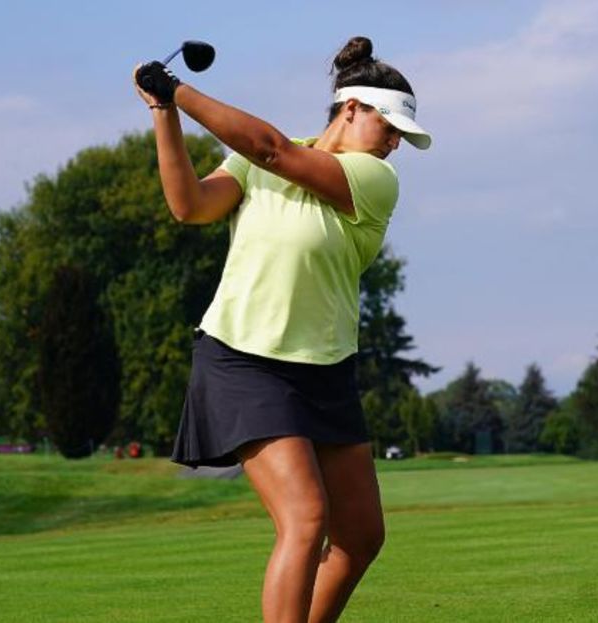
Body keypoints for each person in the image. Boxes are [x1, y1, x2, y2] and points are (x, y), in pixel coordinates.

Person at [132, 36, 430, 622]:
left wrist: (180, 90)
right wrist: (164, 114)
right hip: (242, 361)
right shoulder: (254, 159)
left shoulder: (373, 180)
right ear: (351, 109)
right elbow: (192, 206)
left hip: (325, 368)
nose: (395, 142)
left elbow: (270, 149)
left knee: (362, 537)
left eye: (402, 135)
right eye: (388, 126)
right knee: (306, 517)